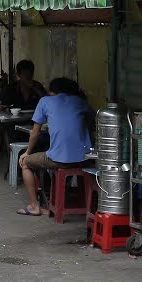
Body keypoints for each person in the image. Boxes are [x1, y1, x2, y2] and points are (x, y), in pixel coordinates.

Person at [16, 77, 95, 216]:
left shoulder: (45, 101)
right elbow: (92, 122)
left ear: (52, 92)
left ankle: (34, 206)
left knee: (25, 163)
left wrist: (27, 152)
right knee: (58, 157)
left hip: (59, 160)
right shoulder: (80, 102)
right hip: (85, 158)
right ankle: (78, 202)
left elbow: (34, 133)